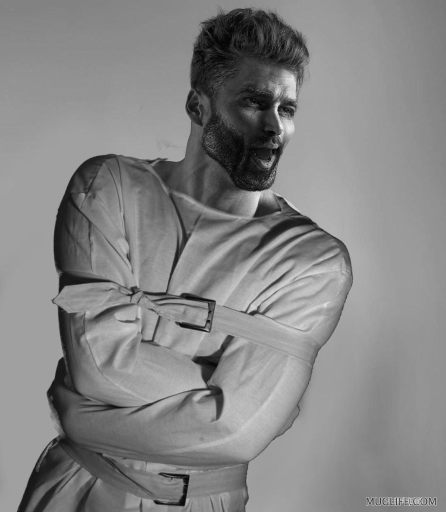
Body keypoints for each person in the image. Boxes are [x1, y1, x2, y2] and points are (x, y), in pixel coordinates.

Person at [18, 8, 352, 512]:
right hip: (74, 490)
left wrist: (79, 414)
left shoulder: (312, 259)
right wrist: (220, 391)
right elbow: (98, 368)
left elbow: (239, 431)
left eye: (287, 109)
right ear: (198, 106)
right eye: (255, 102)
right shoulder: (108, 187)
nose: (275, 127)